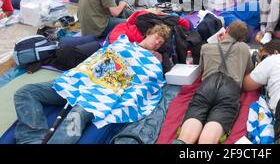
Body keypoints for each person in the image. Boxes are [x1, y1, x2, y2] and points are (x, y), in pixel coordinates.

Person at [13, 24, 171, 145]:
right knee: (25, 92)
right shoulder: (121, 44)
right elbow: (96, 59)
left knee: (78, 114)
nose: (157, 43)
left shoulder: (151, 61)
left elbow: (149, 81)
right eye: (156, 38)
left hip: (103, 91)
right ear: (148, 34)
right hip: (79, 80)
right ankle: (32, 139)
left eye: (160, 43)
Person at [175, 21, 253, 144]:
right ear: (242, 38)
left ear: (226, 30)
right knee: (220, 116)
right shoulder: (244, 48)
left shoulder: (206, 47)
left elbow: (202, 69)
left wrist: (218, 43)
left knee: (196, 111)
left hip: (207, 85)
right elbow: (248, 70)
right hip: (230, 88)